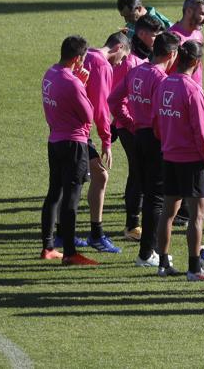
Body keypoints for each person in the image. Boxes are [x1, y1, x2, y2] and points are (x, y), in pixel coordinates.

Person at [109, 32, 180, 268]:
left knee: (146, 192)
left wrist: (129, 122)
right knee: (156, 200)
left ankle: (148, 249)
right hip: (155, 140)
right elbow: (162, 115)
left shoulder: (136, 71)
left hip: (138, 136)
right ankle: (147, 252)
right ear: (171, 54)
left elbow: (113, 100)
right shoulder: (161, 79)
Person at [153, 40, 204, 281]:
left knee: (168, 212)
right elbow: (202, 132)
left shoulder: (163, 84)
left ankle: (163, 264)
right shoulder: (192, 90)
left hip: (169, 156)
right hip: (191, 160)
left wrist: (168, 141)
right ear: (196, 62)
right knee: (197, 215)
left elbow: (156, 122)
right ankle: (193, 269)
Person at [39, 35, 99, 266]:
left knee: (54, 193)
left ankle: (48, 246)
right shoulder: (72, 82)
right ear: (76, 58)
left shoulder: (50, 74)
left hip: (54, 141)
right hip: (74, 144)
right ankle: (71, 253)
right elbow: (88, 114)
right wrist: (82, 84)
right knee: (71, 199)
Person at [79, 32, 132, 255]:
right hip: (78, 132)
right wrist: (107, 141)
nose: (121, 62)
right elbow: (102, 108)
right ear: (118, 47)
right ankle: (96, 235)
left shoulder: (86, 55)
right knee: (100, 176)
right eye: (123, 56)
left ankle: (62, 233)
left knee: (73, 180)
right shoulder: (102, 66)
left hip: (66, 126)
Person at [109, 32, 147, 241]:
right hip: (132, 126)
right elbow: (116, 98)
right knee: (139, 173)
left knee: (137, 172)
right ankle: (133, 225)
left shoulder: (129, 63)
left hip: (123, 124)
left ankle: (134, 223)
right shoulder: (136, 66)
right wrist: (130, 123)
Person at [168, 0, 204, 86]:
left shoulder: (198, 34)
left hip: (195, 91)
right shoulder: (171, 37)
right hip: (176, 93)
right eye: (203, 14)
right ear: (188, 11)